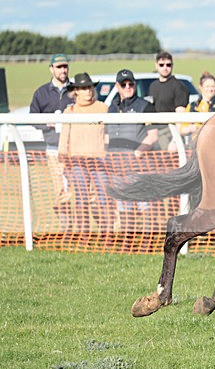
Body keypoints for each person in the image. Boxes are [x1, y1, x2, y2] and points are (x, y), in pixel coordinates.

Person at [106, 69, 159, 251]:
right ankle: (128, 243)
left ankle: (147, 242)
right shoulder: (111, 108)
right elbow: (106, 136)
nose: (128, 87)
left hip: (139, 165)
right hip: (117, 164)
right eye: (124, 84)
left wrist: (138, 153)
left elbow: (152, 136)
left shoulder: (145, 106)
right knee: (124, 205)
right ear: (117, 86)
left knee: (145, 205)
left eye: (131, 84)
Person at [57, 72, 112, 236]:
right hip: (77, 162)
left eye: (89, 87)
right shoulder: (70, 111)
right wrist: (62, 161)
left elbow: (109, 134)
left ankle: (107, 233)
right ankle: (83, 234)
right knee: (81, 199)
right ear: (76, 91)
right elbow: (64, 137)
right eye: (83, 88)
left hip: (99, 160)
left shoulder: (103, 109)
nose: (87, 91)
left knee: (103, 198)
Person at [30, 53, 74, 230]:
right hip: (54, 148)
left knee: (82, 189)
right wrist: (46, 123)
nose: (63, 70)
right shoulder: (41, 93)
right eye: (59, 67)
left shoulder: (76, 90)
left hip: (76, 147)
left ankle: (84, 228)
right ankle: (66, 229)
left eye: (65, 66)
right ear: (51, 69)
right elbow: (33, 118)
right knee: (60, 190)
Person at [148, 51, 189, 150]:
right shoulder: (153, 86)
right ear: (156, 65)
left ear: (172, 66)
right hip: (154, 131)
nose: (165, 68)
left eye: (168, 65)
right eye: (161, 65)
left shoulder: (179, 87)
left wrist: (175, 140)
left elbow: (180, 116)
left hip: (171, 131)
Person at [179, 71, 215, 143]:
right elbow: (182, 129)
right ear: (201, 87)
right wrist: (191, 128)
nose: (210, 89)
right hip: (196, 143)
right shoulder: (192, 106)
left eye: (213, 86)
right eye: (207, 86)